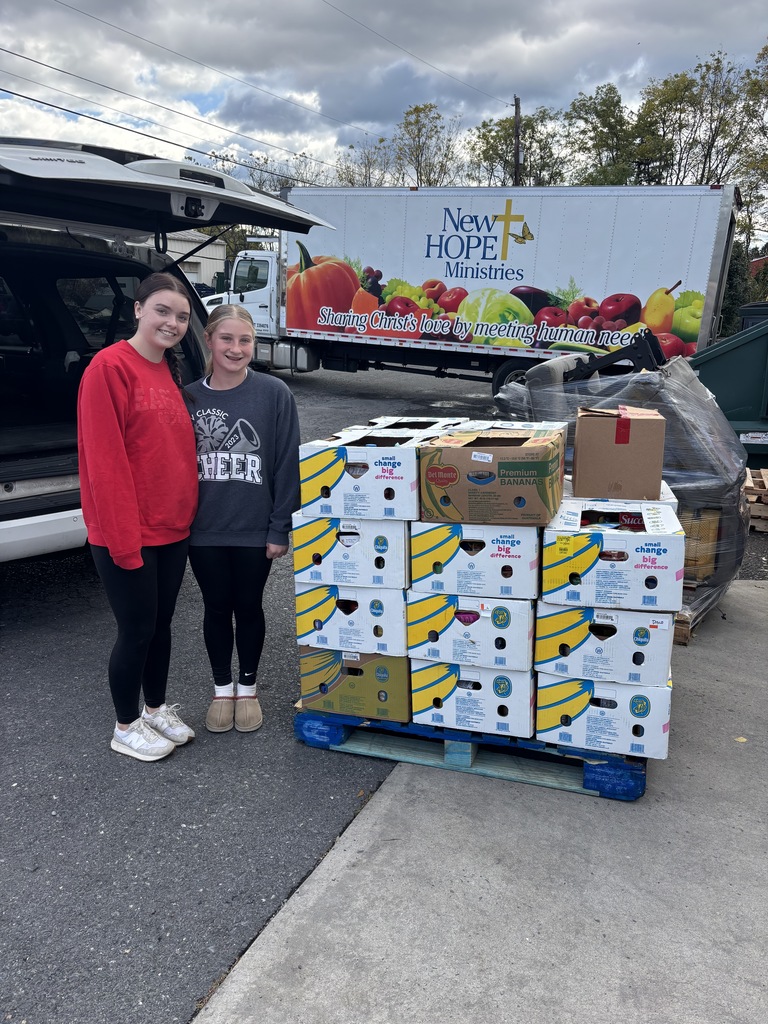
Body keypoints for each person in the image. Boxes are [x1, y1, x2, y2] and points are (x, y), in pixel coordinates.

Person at [77, 272, 199, 762]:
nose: (172, 323)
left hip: (171, 528)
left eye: (182, 317)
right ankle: (125, 725)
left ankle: (155, 708)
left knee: (161, 625)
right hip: (128, 531)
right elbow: (105, 463)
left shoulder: (167, 369)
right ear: (138, 309)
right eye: (162, 311)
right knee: (136, 630)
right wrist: (123, 541)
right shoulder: (109, 368)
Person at [184, 304, 300, 734]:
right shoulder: (188, 396)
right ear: (209, 341)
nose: (236, 349)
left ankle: (247, 689)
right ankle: (221, 689)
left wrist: (279, 527)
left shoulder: (274, 393)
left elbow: (287, 464)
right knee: (216, 607)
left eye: (245, 340)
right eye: (227, 339)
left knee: (248, 606)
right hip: (203, 530)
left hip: (255, 529)